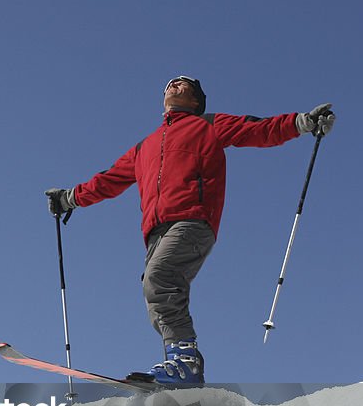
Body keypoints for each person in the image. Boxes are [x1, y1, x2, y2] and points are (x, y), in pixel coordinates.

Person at [45, 76, 335, 384]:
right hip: (155, 232)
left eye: (183, 85)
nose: (174, 86)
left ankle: (186, 362)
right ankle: (177, 371)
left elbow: (258, 129)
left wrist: (304, 122)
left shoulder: (207, 125)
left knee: (160, 278)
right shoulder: (146, 145)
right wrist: (69, 198)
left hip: (193, 220)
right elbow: (109, 179)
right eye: (170, 84)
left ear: (196, 101)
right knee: (157, 289)